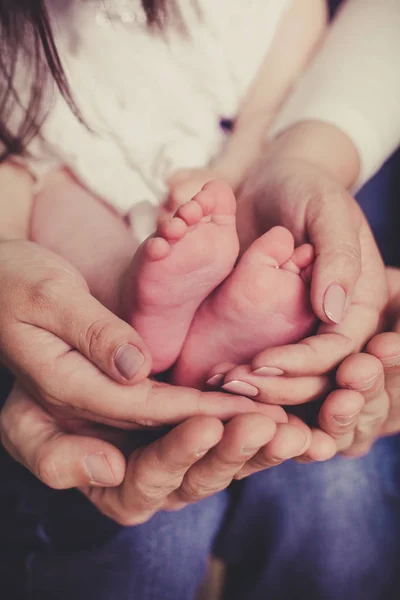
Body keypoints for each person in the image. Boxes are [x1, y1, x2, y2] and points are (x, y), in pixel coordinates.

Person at [0, 2, 399, 600]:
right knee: (59, 209)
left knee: (338, 505)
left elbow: (275, 88)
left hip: (209, 162)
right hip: (53, 160)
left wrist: (256, 165)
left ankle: (166, 312)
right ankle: (134, 302)